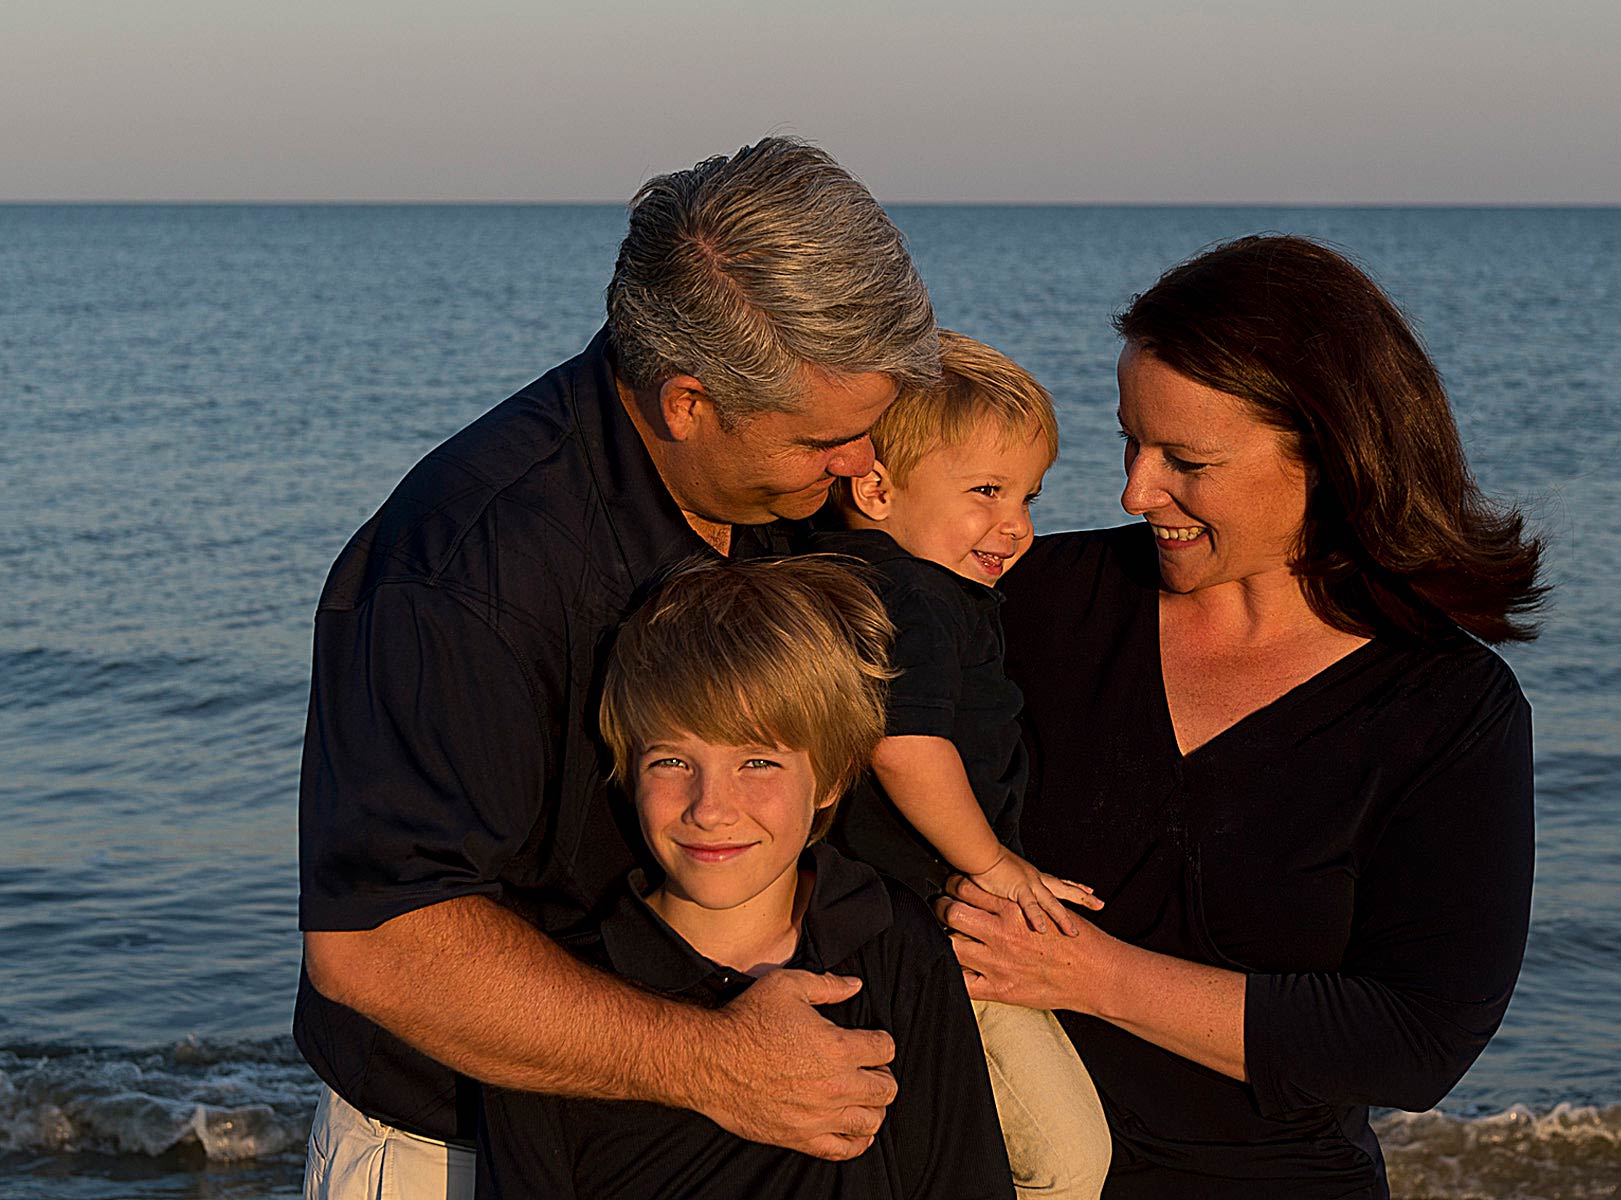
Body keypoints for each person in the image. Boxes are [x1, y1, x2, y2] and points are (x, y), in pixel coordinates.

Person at [295, 137, 940, 1199]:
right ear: (688, 402)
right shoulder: (470, 561)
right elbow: (378, 947)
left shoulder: (782, 491)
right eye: (827, 439)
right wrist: (714, 1061)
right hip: (458, 1155)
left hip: (738, 1126)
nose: (863, 467)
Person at [937, 235, 1546, 1199]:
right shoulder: (1033, 602)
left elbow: (1419, 1041)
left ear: (1333, 453)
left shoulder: (1447, 709)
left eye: (1189, 459)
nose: (1136, 491)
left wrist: (1088, 974)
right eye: (1130, 441)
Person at [477, 557, 1013, 1199]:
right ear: (627, 767)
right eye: (672, 760)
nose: (710, 807)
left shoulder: (891, 941)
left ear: (833, 775)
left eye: (757, 761)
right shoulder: (562, 994)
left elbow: (961, 1176)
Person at [811, 330, 1111, 1198]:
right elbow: (904, 745)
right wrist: (997, 866)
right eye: (985, 491)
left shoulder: (844, 573)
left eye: (1029, 495)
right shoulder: (911, 594)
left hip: (878, 927)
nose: (1016, 525)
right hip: (948, 935)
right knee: (1066, 1162)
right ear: (874, 487)